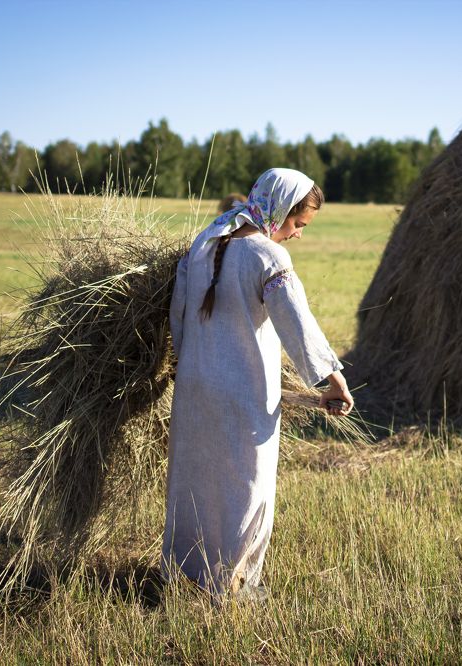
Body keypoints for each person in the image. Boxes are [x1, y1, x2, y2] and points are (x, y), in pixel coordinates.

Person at [161, 167, 354, 602]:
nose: (297, 235)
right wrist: (333, 378)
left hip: (195, 387)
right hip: (245, 393)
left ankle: (185, 576)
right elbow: (298, 326)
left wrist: (183, 363)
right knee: (248, 485)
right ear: (280, 209)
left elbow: (178, 314)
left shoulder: (205, 243)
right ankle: (235, 583)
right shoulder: (268, 257)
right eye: (297, 224)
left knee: (196, 480)